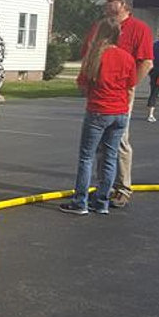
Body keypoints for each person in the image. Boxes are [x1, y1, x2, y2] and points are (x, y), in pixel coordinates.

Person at [79, 0, 152, 208]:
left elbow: (146, 62)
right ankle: (104, 189)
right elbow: (88, 56)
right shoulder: (99, 27)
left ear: (124, 4)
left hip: (119, 96)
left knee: (118, 143)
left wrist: (129, 87)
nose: (106, 4)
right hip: (98, 95)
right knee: (101, 146)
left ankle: (122, 188)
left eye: (110, 0)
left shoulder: (139, 29)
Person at [60, 21, 136, 216]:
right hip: (120, 112)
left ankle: (80, 202)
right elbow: (130, 85)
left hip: (99, 110)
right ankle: (102, 201)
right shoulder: (127, 58)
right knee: (110, 157)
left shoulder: (94, 58)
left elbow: (82, 86)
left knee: (87, 157)